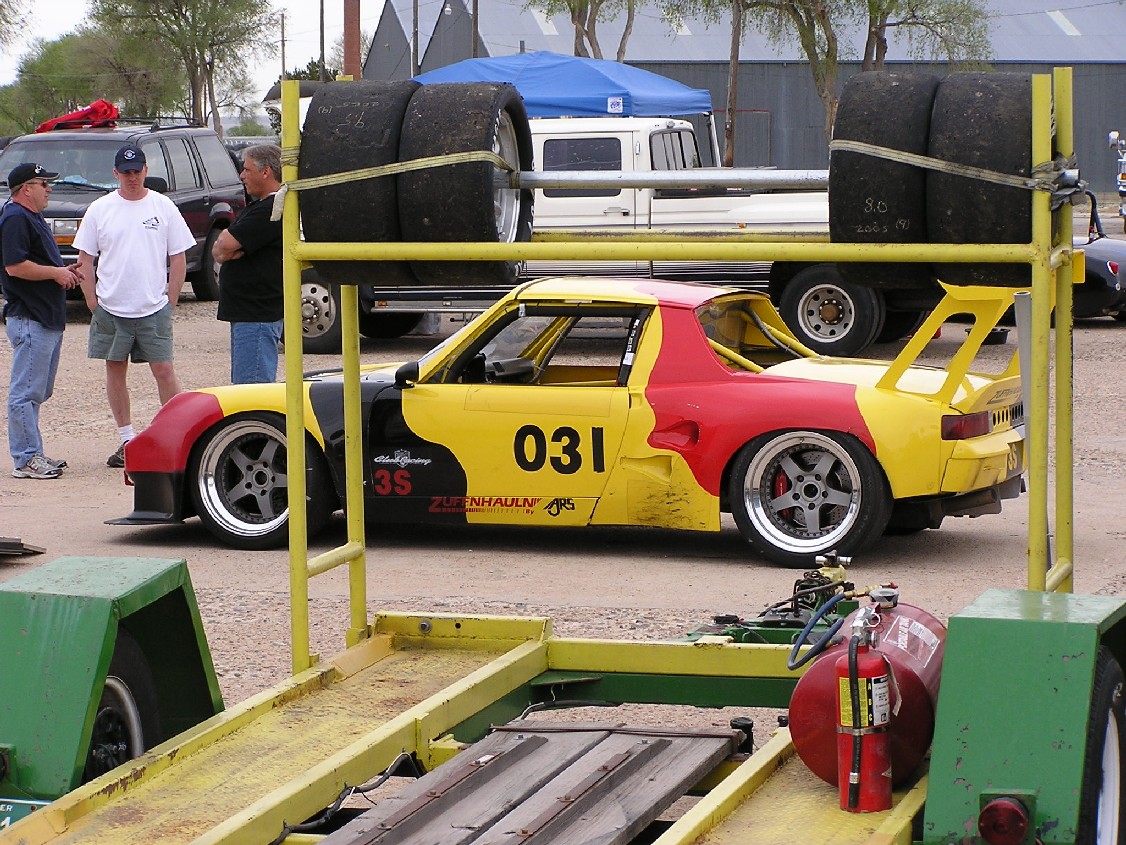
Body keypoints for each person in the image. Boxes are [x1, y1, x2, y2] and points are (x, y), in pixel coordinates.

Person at [74, 144, 195, 468]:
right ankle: (127, 438)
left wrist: (171, 299)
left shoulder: (163, 206)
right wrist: (92, 302)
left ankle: (174, 437)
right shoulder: (100, 209)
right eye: (126, 172)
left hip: (153, 307)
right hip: (111, 307)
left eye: (137, 171)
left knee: (164, 370)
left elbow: (178, 256)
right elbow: (85, 259)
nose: (132, 177)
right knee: (115, 368)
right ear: (116, 173)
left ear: (145, 170)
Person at [1, 162, 83, 479]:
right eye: (43, 184)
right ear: (26, 189)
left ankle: (34, 453)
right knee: (25, 392)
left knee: (38, 391)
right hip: (30, 316)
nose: (49, 189)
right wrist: (55, 273)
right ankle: (26, 458)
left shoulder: (31, 216)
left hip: (45, 317)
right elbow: (15, 266)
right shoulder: (15, 218)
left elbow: (36, 262)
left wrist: (63, 271)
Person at [212, 144, 284, 383]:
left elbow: (225, 243)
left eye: (247, 169)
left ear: (266, 172)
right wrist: (225, 249)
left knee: (252, 388)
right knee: (244, 386)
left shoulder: (272, 209)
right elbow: (219, 248)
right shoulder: (259, 207)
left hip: (257, 315)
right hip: (248, 314)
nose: (242, 176)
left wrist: (226, 248)